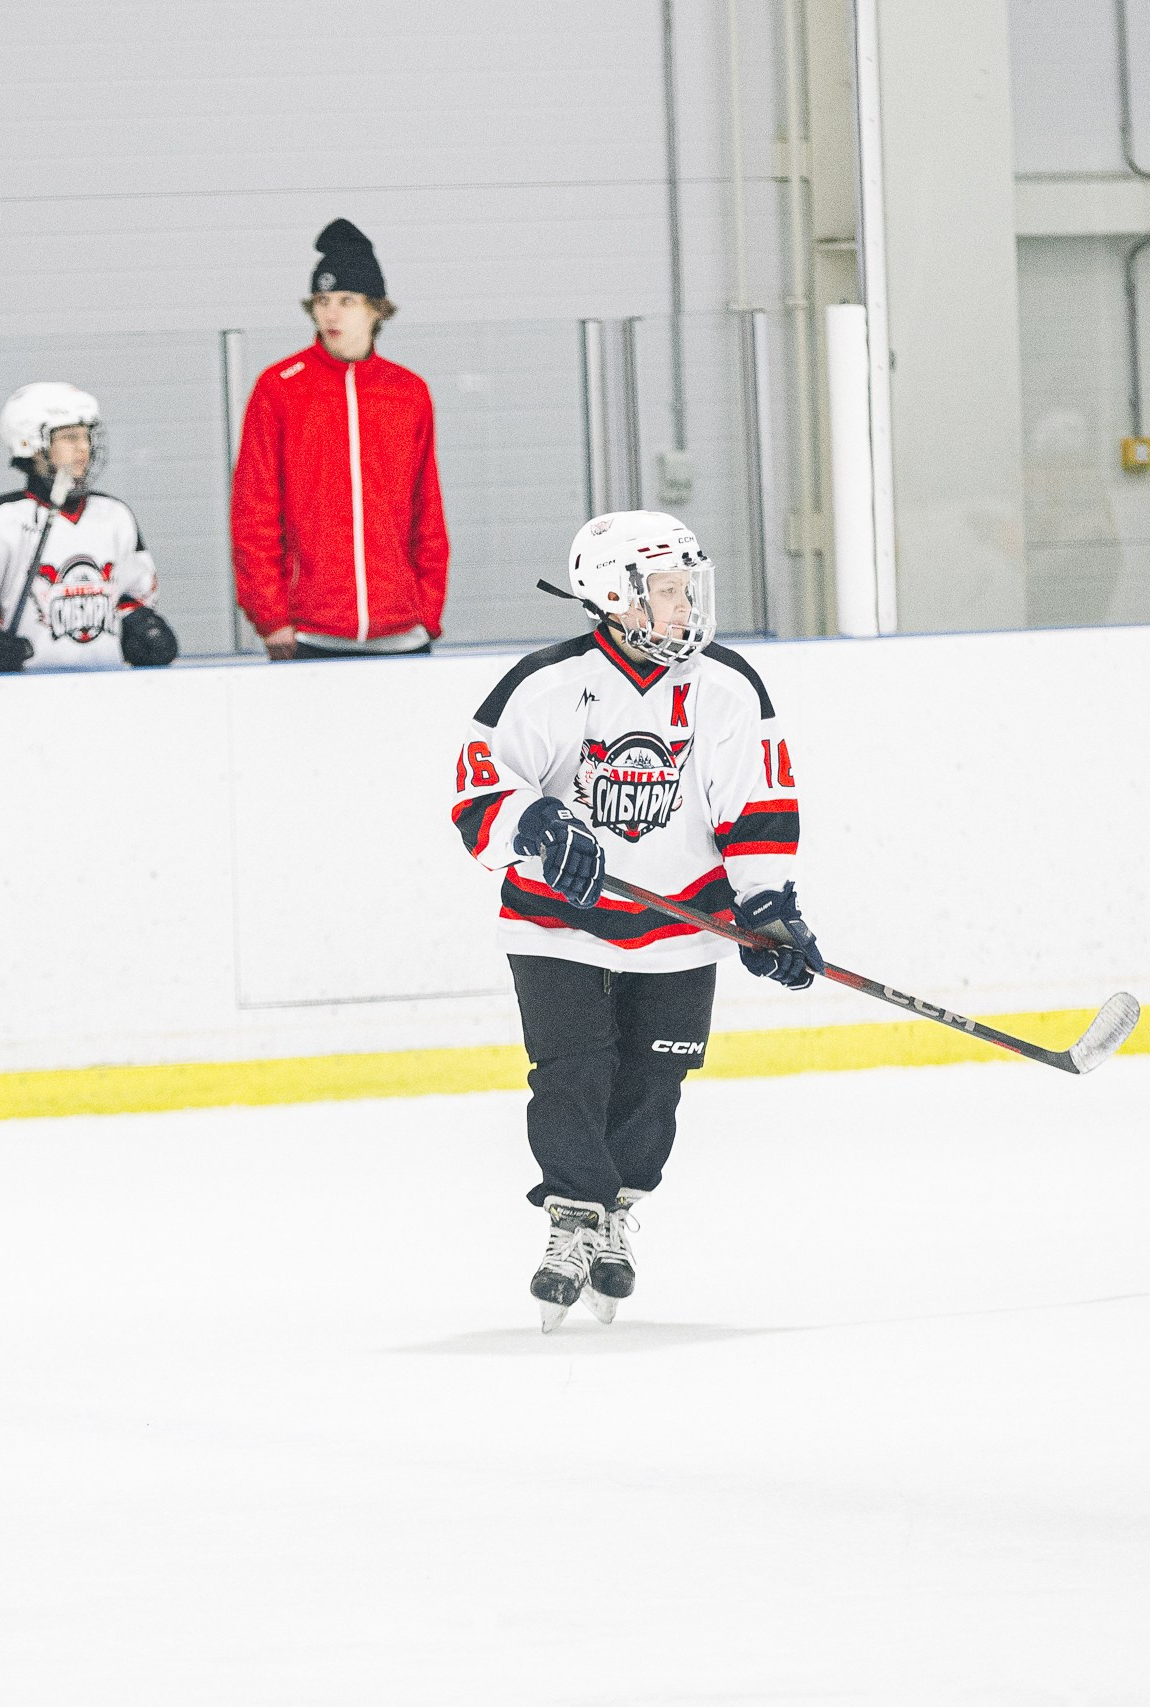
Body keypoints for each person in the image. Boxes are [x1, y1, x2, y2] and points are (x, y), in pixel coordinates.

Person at [449, 511, 819, 1332]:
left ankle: (616, 1206)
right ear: (614, 597)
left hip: (684, 921)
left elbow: (757, 805)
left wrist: (768, 905)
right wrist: (536, 826)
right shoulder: (548, 683)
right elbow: (480, 788)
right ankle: (573, 1218)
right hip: (558, 923)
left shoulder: (726, 687)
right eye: (667, 592)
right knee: (572, 1070)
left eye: (689, 588)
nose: (686, 607)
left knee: (659, 1077)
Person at [231, 218, 448, 661]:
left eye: (346, 301)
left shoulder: (408, 392)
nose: (331, 314)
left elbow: (427, 510)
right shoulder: (279, 388)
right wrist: (271, 617)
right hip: (311, 635)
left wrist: (427, 608)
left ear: (375, 309)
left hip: (403, 632)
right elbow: (254, 511)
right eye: (322, 300)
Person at [0, 383, 178, 673]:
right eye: (69, 438)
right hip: (24, 693)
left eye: (86, 436)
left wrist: (142, 627)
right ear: (31, 445)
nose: (83, 448)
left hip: (108, 685)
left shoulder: (114, 516)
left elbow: (131, 595)